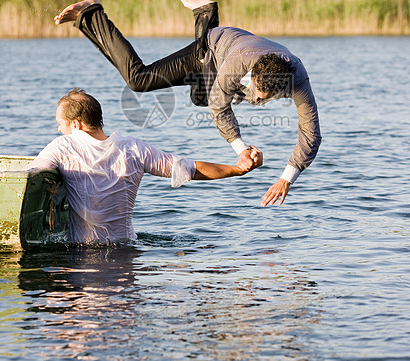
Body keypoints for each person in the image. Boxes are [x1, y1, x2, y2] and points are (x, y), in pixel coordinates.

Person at [54, 0, 321, 206]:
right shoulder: (237, 66)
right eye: (254, 90)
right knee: (139, 80)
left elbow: (311, 134)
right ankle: (94, 12)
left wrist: (286, 179)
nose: (255, 98)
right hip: (213, 49)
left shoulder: (298, 79)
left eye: (262, 98)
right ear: (252, 73)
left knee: (198, 98)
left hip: (238, 49)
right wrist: (241, 150)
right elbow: (219, 108)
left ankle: (204, 14)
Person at [26, 88, 262, 244]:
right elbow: (189, 168)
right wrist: (239, 168)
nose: (59, 129)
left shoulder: (63, 146)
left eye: (61, 124)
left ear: (76, 124)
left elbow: (30, 177)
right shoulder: (133, 149)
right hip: (127, 247)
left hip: (85, 252)